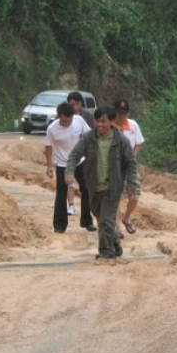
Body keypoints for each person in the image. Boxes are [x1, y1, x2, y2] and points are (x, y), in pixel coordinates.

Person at [66, 105, 139, 259]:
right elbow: (74, 155)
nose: (100, 125)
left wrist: (132, 186)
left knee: (106, 220)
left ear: (112, 122)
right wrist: (70, 172)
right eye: (97, 121)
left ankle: (106, 251)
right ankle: (116, 245)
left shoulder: (121, 141)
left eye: (103, 121)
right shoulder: (88, 138)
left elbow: (131, 164)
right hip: (93, 186)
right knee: (101, 218)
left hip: (113, 188)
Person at [45, 102, 96, 234]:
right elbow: (49, 147)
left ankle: (87, 221)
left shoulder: (79, 121)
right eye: (64, 121)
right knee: (61, 194)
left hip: (80, 161)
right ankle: (60, 225)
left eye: (69, 120)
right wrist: (49, 165)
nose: (67, 123)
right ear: (59, 117)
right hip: (62, 164)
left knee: (87, 189)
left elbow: (89, 136)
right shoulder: (52, 129)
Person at [114, 99, 144, 235]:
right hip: (114, 166)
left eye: (124, 113)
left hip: (130, 165)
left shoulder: (133, 125)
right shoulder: (109, 126)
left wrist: (133, 156)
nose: (122, 115)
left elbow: (139, 142)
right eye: (119, 112)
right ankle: (117, 226)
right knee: (114, 197)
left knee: (135, 194)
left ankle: (126, 218)